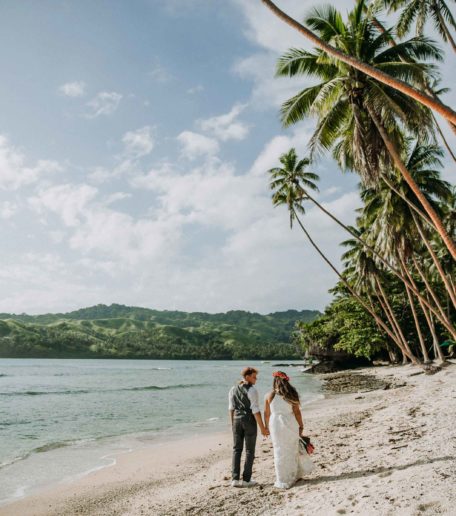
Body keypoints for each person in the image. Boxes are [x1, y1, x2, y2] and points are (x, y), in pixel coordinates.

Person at [264, 371, 314, 489]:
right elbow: (297, 412)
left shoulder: (268, 395)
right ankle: (294, 475)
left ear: (274, 381)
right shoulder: (291, 394)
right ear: (286, 380)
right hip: (290, 423)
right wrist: (301, 425)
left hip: (275, 423)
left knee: (279, 450)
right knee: (291, 449)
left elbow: (267, 413)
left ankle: (282, 478)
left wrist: (266, 427)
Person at [228, 366, 269, 488]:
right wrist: (262, 428)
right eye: (254, 377)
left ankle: (235, 479)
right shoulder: (252, 390)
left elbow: (231, 409)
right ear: (247, 377)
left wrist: (232, 425)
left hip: (236, 420)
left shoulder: (232, 389)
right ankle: (246, 479)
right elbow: (255, 410)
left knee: (236, 449)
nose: (256, 379)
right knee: (249, 451)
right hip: (249, 421)